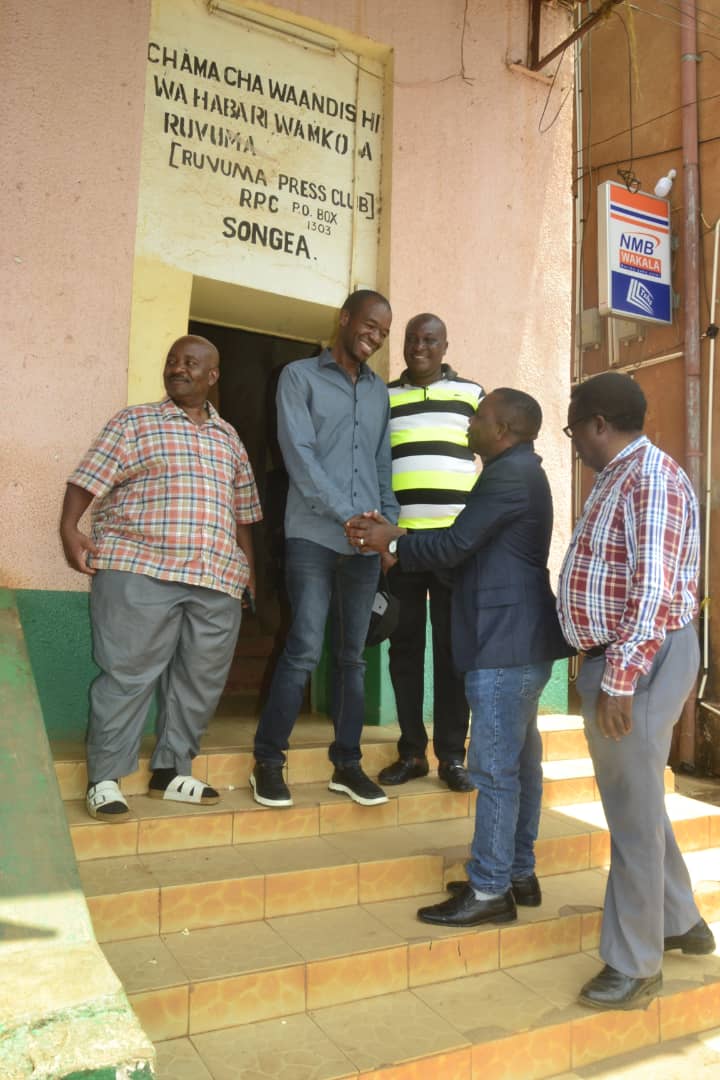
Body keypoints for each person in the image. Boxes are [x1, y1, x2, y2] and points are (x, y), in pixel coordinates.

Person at [347, 389, 573, 925]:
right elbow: (469, 549)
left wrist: (393, 541)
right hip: (517, 641)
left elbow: (454, 544)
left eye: (479, 416)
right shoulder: (516, 471)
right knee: (520, 764)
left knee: (493, 770)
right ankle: (517, 872)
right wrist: (401, 542)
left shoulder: (508, 475)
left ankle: (490, 889)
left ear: (503, 429)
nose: (469, 423)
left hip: (504, 642)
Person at [556, 371, 715, 1010]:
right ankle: (681, 921)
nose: (572, 442)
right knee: (639, 802)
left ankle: (635, 963)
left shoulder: (648, 478)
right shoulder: (620, 474)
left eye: (573, 429)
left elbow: (651, 590)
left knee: (630, 817)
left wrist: (619, 681)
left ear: (598, 423)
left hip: (639, 661)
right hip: (629, 657)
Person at [60, 334, 261, 823]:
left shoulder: (229, 438)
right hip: (140, 565)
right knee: (128, 675)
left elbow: (243, 513)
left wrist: (248, 573)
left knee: (199, 681)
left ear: (212, 375)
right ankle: (106, 777)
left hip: (215, 576)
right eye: (173, 360)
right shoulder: (134, 422)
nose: (178, 368)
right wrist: (70, 528)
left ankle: (171, 771)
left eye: (190, 363)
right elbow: (87, 479)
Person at [251, 290, 399, 809]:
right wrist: (350, 516)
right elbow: (300, 456)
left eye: (384, 332)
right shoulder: (298, 377)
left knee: (353, 658)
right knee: (304, 648)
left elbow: (382, 464)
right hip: (313, 536)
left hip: (365, 545)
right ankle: (269, 760)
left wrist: (388, 530)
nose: (376, 337)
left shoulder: (379, 393)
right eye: (370, 325)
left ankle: (347, 765)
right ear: (345, 318)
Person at [380, 314, 484, 793]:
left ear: (445, 346)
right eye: (412, 339)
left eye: (429, 340)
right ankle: (411, 752)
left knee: (451, 650)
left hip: (452, 548)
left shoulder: (471, 395)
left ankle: (451, 756)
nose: (418, 347)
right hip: (401, 547)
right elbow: (372, 466)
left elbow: (492, 460)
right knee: (404, 649)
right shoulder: (385, 398)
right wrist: (383, 541)